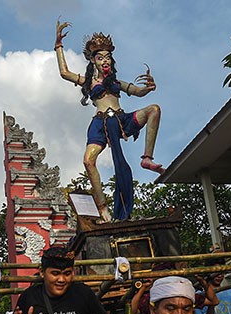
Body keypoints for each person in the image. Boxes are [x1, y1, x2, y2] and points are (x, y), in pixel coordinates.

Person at [55, 20, 162, 221]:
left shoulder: (116, 82)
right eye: (101, 57)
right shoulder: (88, 81)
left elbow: (137, 92)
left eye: (108, 58)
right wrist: (58, 45)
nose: (106, 61)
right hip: (100, 124)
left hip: (120, 119)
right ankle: (103, 208)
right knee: (88, 161)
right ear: (93, 61)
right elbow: (64, 72)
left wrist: (148, 88)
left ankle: (147, 158)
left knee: (154, 110)